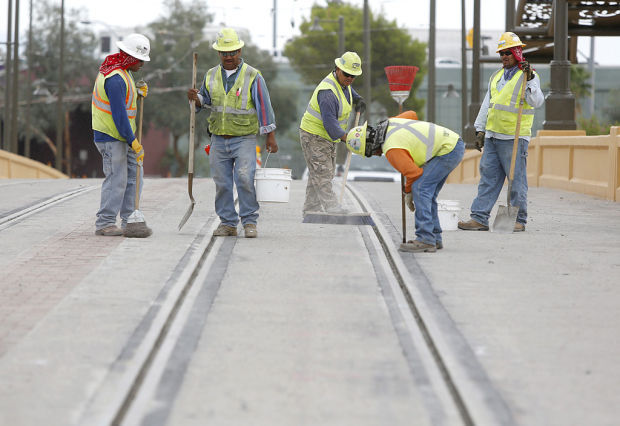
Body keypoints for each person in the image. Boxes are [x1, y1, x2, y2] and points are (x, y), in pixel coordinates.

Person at [187, 28, 278, 239]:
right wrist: (196, 98)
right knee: (222, 183)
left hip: (244, 138)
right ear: (219, 53)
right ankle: (227, 223)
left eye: (232, 52)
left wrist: (270, 135)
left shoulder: (253, 76)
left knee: (245, 179)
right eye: (224, 53)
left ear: (239, 50)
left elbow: (264, 106)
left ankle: (249, 222)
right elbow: (205, 100)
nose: (229, 57)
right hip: (218, 139)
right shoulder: (211, 75)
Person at [458, 32, 544, 232]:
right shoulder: (496, 76)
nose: (504, 56)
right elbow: (488, 104)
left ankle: (518, 219)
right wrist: (480, 130)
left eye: (508, 52)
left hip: (514, 138)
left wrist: (530, 79)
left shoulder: (528, 76)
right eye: (501, 53)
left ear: (516, 53)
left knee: (516, 180)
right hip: (493, 136)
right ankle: (479, 218)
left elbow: (537, 102)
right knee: (488, 178)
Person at [345, 111, 465, 253]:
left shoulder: (391, 149)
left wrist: (407, 192)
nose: (377, 155)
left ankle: (425, 239)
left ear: (370, 145)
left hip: (447, 150)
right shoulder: (390, 123)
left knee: (420, 188)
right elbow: (412, 115)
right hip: (452, 143)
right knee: (427, 192)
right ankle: (435, 237)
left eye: (370, 153)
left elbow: (414, 173)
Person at [92, 33, 151, 237]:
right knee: (117, 178)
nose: (142, 65)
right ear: (130, 58)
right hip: (111, 136)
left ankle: (129, 221)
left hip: (122, 136)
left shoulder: (124, 72)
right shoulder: (115, 79)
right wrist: (133, 141)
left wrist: (137, 91)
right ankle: (105, 223)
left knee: (135, 176)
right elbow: (119, 115)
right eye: (140, 60)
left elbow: (124, 99)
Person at [299, 51, 365, 215]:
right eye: (347, 74)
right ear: (337, 69)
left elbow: (351, 94)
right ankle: (332, 207)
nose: (350, 78)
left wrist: (359, 101)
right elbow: (332, 127)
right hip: (314, 136)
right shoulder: (327, 93)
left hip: (327, 138)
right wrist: (350, 139)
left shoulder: (344, 85)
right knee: (323, 173)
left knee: (318, 171)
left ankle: (311, 208)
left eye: (353, 76)